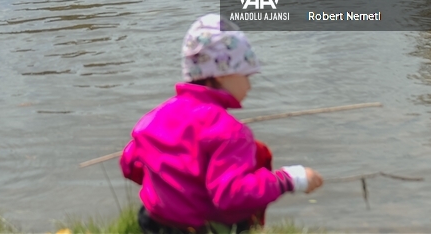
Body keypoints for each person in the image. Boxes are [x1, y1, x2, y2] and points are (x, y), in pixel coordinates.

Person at [121, 14, 321, 234]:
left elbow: (130, 164)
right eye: (247, 75)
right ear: (223, 75)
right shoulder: (230, 132)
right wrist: (291, 179)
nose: (250, 86)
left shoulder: (157, 117)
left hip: (154, 223)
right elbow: (233, 195)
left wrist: (172, 189)